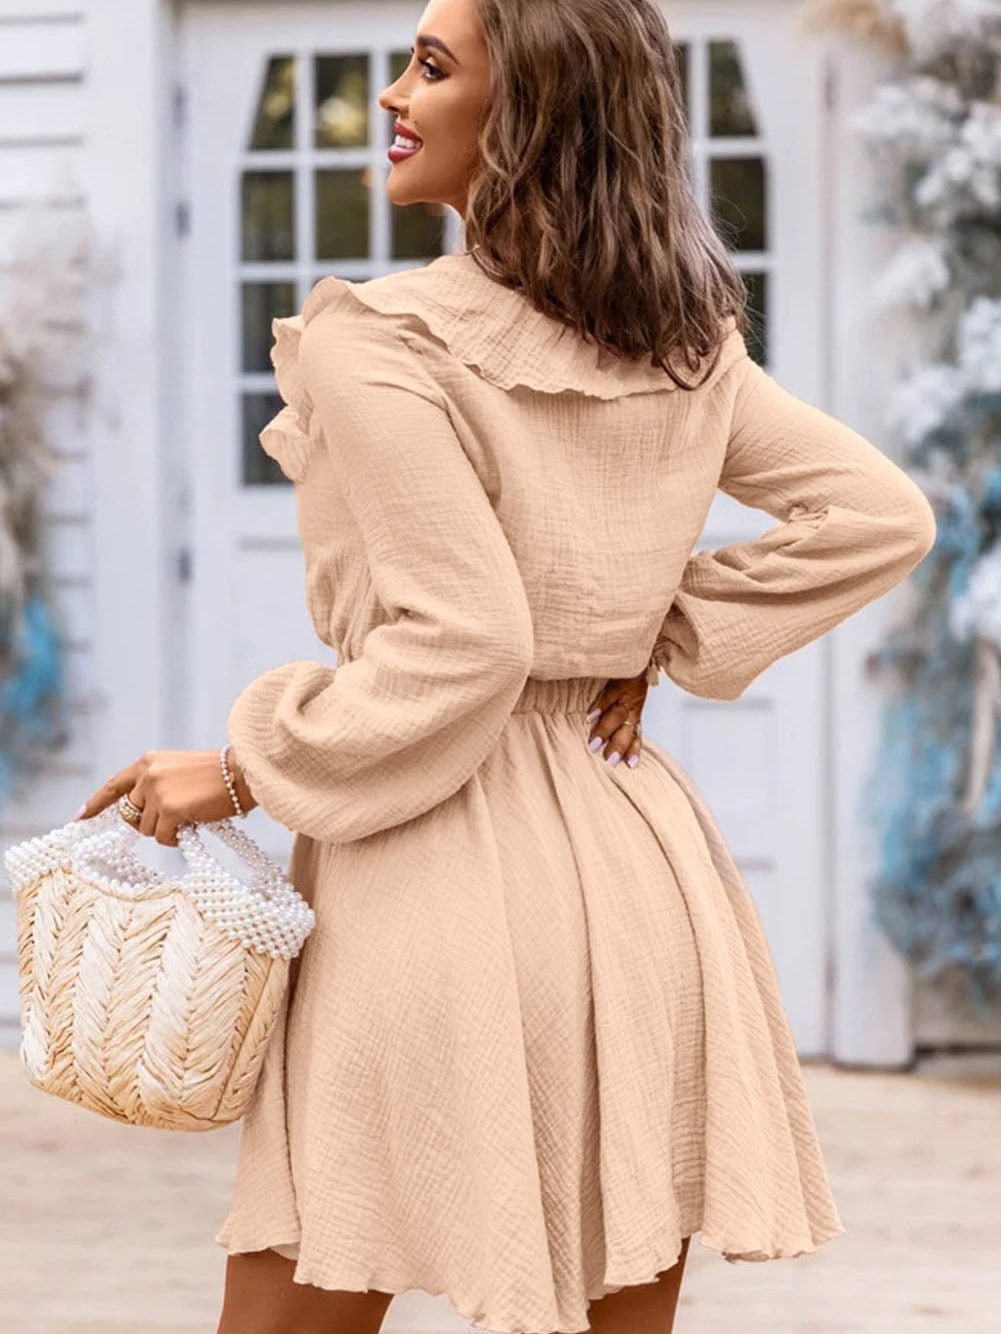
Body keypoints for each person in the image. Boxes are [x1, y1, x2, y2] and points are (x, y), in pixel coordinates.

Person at [77, 0, 937, 1330]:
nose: (392, 95)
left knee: (299, 1291)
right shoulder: (683, 348)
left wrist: (245, 768)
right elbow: (881, 513)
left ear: (524, 113)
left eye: (430, 66)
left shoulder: (385, 338)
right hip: (636, 862)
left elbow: (465, 639)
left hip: (431, 871)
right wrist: (659, 625)